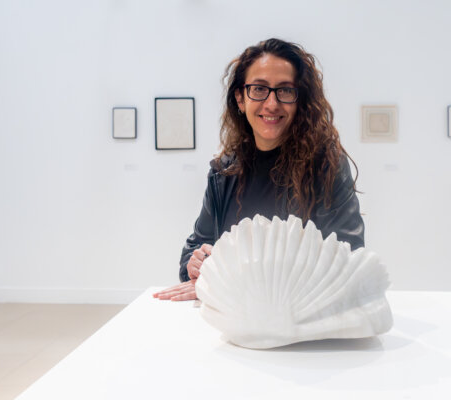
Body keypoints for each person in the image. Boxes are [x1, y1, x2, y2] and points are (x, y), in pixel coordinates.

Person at [154, 38, 364, 301]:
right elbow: (196, 246)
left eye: (285, 90)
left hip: (301, 321)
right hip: (233, 321)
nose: (272, 103)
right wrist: (195, 264)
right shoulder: (222, 173)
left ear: (299, 101)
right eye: (259, 89)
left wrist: (230, 280)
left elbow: (348, 255)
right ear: (240, 99)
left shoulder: (326, 167)